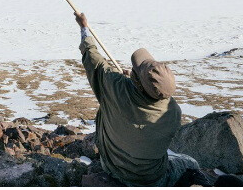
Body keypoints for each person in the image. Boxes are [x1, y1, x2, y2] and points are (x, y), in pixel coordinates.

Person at [74, 11, 208, 187]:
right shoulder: (173, 112)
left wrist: (84, 27)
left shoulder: (115, 87)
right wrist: (135, 81)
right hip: (153, 177)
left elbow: (93, 59)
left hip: (113, 168)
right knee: (191, 163)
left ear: (137, 81)